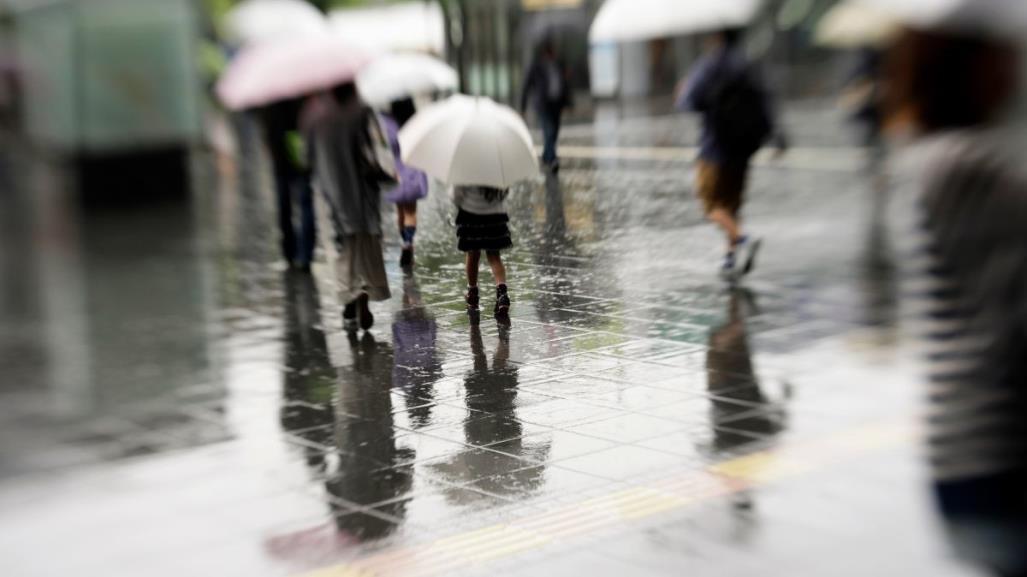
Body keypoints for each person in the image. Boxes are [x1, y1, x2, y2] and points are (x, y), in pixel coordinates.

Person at [885, 9, 1027, 577]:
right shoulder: (966, 166)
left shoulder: (931, 156)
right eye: (1003, 51)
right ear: (969, 66)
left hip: (973, 454)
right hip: (1000, 451)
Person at [676, 28, 785, 281]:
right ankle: (730, 258)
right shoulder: (749, 66)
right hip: (744, 148)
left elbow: (690, 101)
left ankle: (743, 240)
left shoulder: (710, 65)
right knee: (731, 206)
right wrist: (776, 136)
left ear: (717, 37)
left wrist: (682, 91)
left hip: (715, 147)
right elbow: (765, 102)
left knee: (711, 204)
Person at [304, 82, 396, 332]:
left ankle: (350, 294)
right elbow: (376, 151)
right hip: (363, 193)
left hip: (333, 194)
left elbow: (308, 158)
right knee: (368, 246)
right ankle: (366, 290)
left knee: (343, 249)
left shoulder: (314, 116)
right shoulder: (362, 111)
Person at [260, 98, 316, 271]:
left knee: (287, 204)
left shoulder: (268, 95)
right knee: (302, 203)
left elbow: (266, 127)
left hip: (282, 156)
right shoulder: (299, 92)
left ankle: (292, 252)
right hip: (298, 152)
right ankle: (304, 254)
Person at [381, 98, 429, 269]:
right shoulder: (416, 124)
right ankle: (409, 243)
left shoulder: (388, 124)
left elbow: (384, 147)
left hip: (396, 171)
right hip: (413, 171)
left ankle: (405, 242)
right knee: (411, 213)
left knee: (400, 213)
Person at [453, 185, 512, 319]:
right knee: (495, 256)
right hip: (495, 214)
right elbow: (504, 191)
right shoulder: (496, 168)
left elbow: (456, 194)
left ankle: (472, 293)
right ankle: (502, 295)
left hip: (470, 213)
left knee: (472, 254)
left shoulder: (466, 169)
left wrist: (459, 202)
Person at [522, 39, 571, 172]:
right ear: (544, 53)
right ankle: (553, 160)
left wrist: (568, 103)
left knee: (554, 132)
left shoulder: (559, 64)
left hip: (556, 104)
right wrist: (523, 104)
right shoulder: (537, 66)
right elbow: (527, 85)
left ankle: (545, 157)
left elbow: (565, 85)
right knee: (549, 131)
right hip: (543, 105)